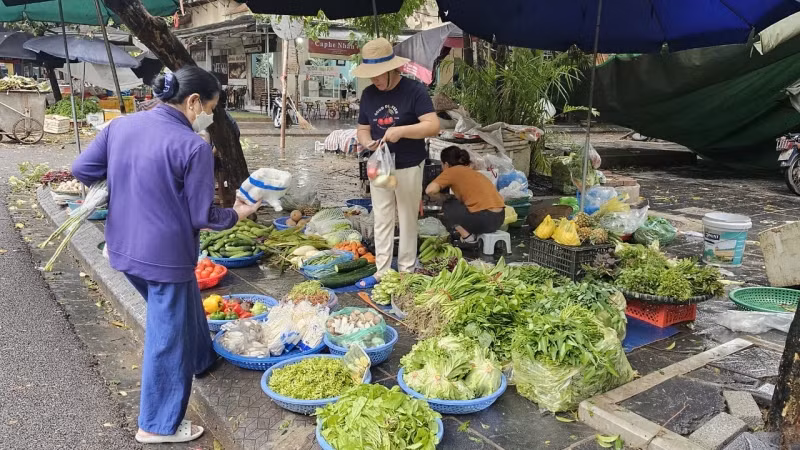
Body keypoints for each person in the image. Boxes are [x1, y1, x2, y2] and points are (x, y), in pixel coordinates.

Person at [71, 66, 260, 445]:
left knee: (183, 305)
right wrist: (239, 212)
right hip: (166, 257)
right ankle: (157, 425)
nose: (209, 117)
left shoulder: (120, 127)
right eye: (210, 109)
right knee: (166, 336)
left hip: (122, 247)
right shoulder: (193, 146)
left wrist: (128, 180)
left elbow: (82, 169)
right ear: (193, 102)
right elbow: (202, 216)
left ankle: (202, 359)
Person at [353, 38, 440, 287]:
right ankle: (382, 270)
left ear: (393, 69)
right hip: (380, 165)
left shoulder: (415, 91)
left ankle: (406, 271)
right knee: (382, 217)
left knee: (407, 218)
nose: (375, 79)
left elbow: (432, 126)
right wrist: (367, 142)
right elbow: (362, 128)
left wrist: (401, 131)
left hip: (409, 165)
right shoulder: (369, 94)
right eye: (371, 75)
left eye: (379, 74)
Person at [426, 146, 505, 243]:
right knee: (458, 203)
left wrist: (442, 197)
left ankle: (467, 237)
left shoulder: (451, 171)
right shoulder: (473, 172)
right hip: (499, 219)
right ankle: (471, 233)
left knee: (448, 203)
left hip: (484, 220)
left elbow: (430, 190)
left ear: (446, 164)